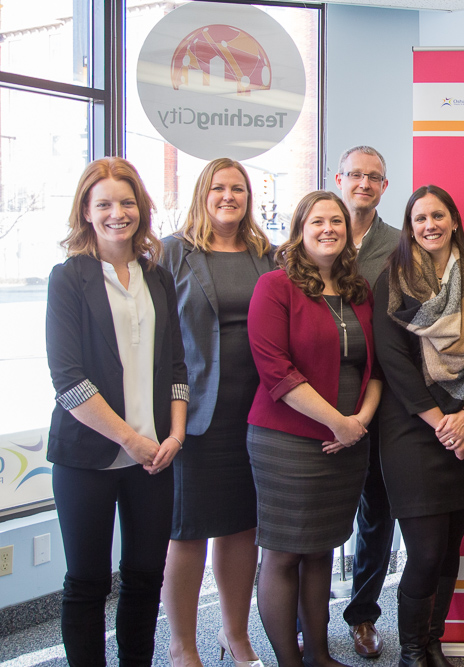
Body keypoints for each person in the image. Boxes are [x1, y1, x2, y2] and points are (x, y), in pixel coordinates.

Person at [45, 157, 188, 666]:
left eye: (126, 202)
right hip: (87, 457)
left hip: (155, 459)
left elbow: (176, 364)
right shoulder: (67, 279)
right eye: (103, 203)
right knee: (86, 580)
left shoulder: (158, 278)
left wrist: (174, 435)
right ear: (86, 211)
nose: (116, 213)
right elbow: (69, 382)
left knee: (146, 575)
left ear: (141, 209)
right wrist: (132, 439)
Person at [246, 191, 382, 667]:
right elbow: (275, 371)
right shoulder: (275, 286)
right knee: (284, 553)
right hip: (288, 440)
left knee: (323, 548)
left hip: (347, 442)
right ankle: (289, 660)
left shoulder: (359, 290)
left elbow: (377, 367)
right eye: (318, 221)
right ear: (300, 229)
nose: (329, 229)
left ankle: (320, 655)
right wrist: (338, 422)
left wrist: (359, 422)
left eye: (337, 222)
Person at [372, 185, 464, 667]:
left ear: (453, 220)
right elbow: (393, 363)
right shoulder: (393, 282)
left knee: (450, 552)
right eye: (419, 218)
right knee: (425, 552)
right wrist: (442, 423)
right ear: (409, 227)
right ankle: (411, 651)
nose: (429, 225)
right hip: (412, 430)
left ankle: (433, 644)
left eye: (437, 215)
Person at [161, 158, 275, 667]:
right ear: (203, 194)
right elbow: (158, 337)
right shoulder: (172, 253)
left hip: (255, 413)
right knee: (187, 531)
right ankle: (182, 644)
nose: (229, 196)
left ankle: (236, 635)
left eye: (238, 189)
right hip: (193, 415)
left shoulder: (265, 255)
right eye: (219, 188)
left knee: (241, 528)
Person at [333, 145, 400, 659]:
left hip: (382, 394)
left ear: (383, 186)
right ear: (339, 177)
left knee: (377, 510)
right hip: (318, 397)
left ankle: (362, 615)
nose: (363, 183)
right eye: (355, 174)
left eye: (373, 177)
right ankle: (303, 614)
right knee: (315, 508)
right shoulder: (316, 232)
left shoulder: (400, 247)